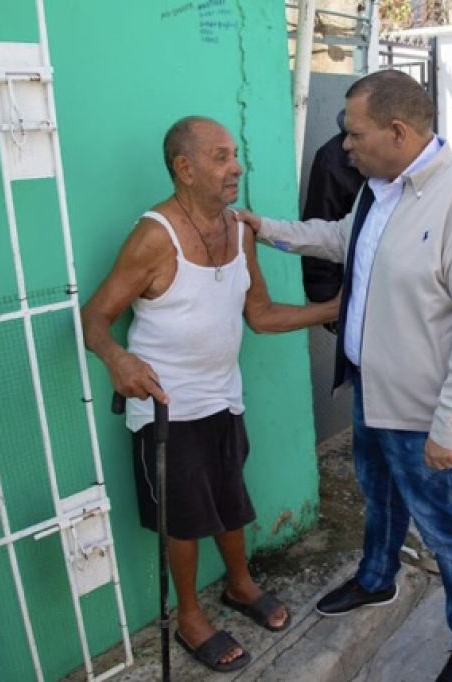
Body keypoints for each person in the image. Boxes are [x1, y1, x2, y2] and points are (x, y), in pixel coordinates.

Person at [244, 70, 452, 682]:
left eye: (354, 133)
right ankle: (376, 580)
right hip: (374, 390)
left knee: (448, 530)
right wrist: (269, 231)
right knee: (380, 499)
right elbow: (344, 240)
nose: (344, 146)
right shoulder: (380, 187)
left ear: (397, 131)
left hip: (426, 410)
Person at [80, 117, 338, 673]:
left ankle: (241, 586)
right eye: (221, 157)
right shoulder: (155, 236)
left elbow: (261, 315)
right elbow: (94, 319)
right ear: (185, 167)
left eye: (235, 154)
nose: (236, 166)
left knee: (229, 500)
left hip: (224, 397)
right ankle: (191, 615)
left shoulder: (240, 230)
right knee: (185, 520)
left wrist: (336, 309)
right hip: (166, 409)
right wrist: (117, 357)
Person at [301, 110, 365, 333]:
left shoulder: (422, 161)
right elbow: (322, 223)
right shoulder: (333, 158)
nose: (348, 145)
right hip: (354, 295)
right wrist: (327, 301)